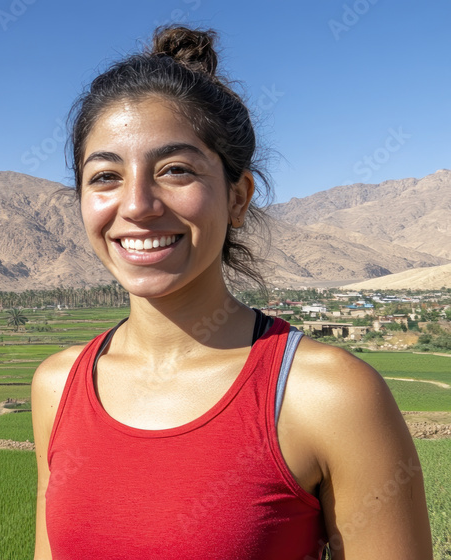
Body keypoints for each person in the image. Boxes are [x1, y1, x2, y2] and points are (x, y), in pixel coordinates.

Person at [32, 25, 432, 559]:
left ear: (238, 197)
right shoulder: (57, 389)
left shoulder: (328, 397)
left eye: (175, 170)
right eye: (105, 176)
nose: (137, 204)